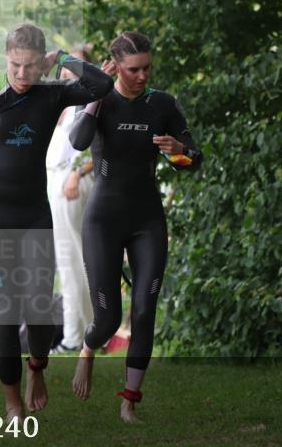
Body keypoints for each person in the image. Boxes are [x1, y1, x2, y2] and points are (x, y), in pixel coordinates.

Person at [0, 22, 113, 420]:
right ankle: (12, 402)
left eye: (32, 66)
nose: (22, 75)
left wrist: (63, 59)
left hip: (33, 212)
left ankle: (37, 367)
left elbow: (101, 86)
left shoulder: (49, 94)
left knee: (38, 309)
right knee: (7, 311)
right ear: (5, 59)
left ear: (42, 62)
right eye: (15, 65)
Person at [69, 31, 202, 423]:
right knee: (108, 320)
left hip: (147, 219)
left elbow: (195, 160)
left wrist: (179, 154)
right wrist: (95, 94)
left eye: (147, 67)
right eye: (133, 70)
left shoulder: (162, 104)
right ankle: (88, 349)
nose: (142, 75)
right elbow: (78, 141)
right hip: (103, 220)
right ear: (116, 66)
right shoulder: (102, 101)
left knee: (144, 310)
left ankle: (129, 401)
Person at [46, 45, 95, 353]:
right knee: (72, 261)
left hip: (72, 182)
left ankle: (74, 337)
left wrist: (76, 174)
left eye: (73, 67)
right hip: (56, 180)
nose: (66, 73)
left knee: (72, 260)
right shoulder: (65, 105)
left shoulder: (88, 103)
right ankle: (88, 331)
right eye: (64, 67)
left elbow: (95, 149)